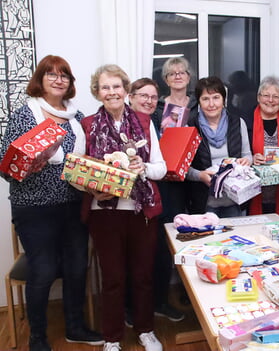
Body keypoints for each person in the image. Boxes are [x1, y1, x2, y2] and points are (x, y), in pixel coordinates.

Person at [0, 55, 103, 351]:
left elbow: (84, 160)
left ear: (70, 83)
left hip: (73, 204)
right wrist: (30, 164)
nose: (58, 80)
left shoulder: (77, 117)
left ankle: (74, 327)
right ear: (40, 80)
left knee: (76, 267)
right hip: (34, 208)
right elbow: (6, 168)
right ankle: (38, 336)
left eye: (64, 76)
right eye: (51, 75)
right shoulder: (24, 115)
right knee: (43, 271)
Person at [83, 64, 166, 351]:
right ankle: (112, 338)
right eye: (105, 87)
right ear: (97, 92)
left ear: (125, 90)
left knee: (143, 275)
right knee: (113, 278)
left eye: (116, 86)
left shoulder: (144, 122)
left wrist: (143, 167)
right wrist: (93, 187)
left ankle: (145, 330)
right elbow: (80, 172)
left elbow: (161, 168)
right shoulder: (88, 125)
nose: (112, 92)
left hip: (140, 211)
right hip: (104, 213)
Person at [127, 78, 185, 323]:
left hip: (162, 192)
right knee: (134, 257)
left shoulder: (158, 120)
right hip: (130, 200)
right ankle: (131, 310)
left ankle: (159, 302)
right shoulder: (121, 121)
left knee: (162, 251)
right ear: (130, 96)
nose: (148, 101)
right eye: (143, 95)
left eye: (153, 97)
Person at [186, 76, 252, 217]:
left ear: (224, 100)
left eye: (216, 97)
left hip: (235, 201)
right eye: (205, 99)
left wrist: (247, 161)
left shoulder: (238, 123)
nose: (211, 104)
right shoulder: (190, 127)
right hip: (204, 203)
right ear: (199, 102)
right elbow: (184, 170)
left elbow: (247, 155)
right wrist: (200, 175)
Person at [247, 76, 279, 223]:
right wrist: (252, 158)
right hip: (255, 191)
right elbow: (239, 152)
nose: (270, 100)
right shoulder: (246, 119)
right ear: (258, 97)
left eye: (276, 96)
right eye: (266, 95)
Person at [154, 56, 194, 136]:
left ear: (188, 78)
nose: (178, 77)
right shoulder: (157, 107)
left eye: (182, 73)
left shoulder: (197, 104)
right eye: (172, 74)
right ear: (166, 80)